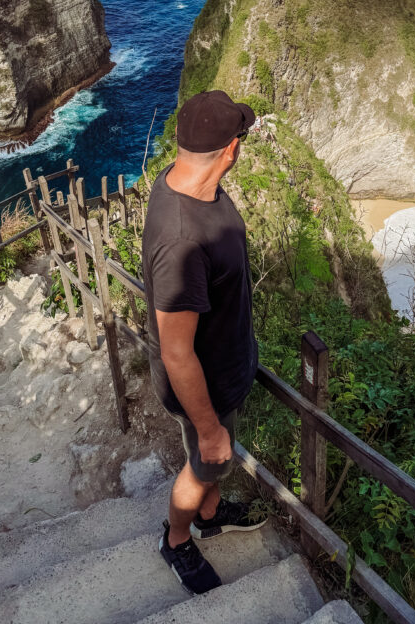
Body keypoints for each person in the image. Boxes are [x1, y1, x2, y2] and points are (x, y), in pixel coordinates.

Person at [142, 89, 264, 595]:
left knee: (214, 462)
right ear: (231, 150)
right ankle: (176, 540)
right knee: (204, 461)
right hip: (202, 389)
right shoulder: (182, 241)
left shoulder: (191, 185)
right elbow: (175, 351)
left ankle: (210, 512)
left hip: (223, 370)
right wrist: (209, 426)